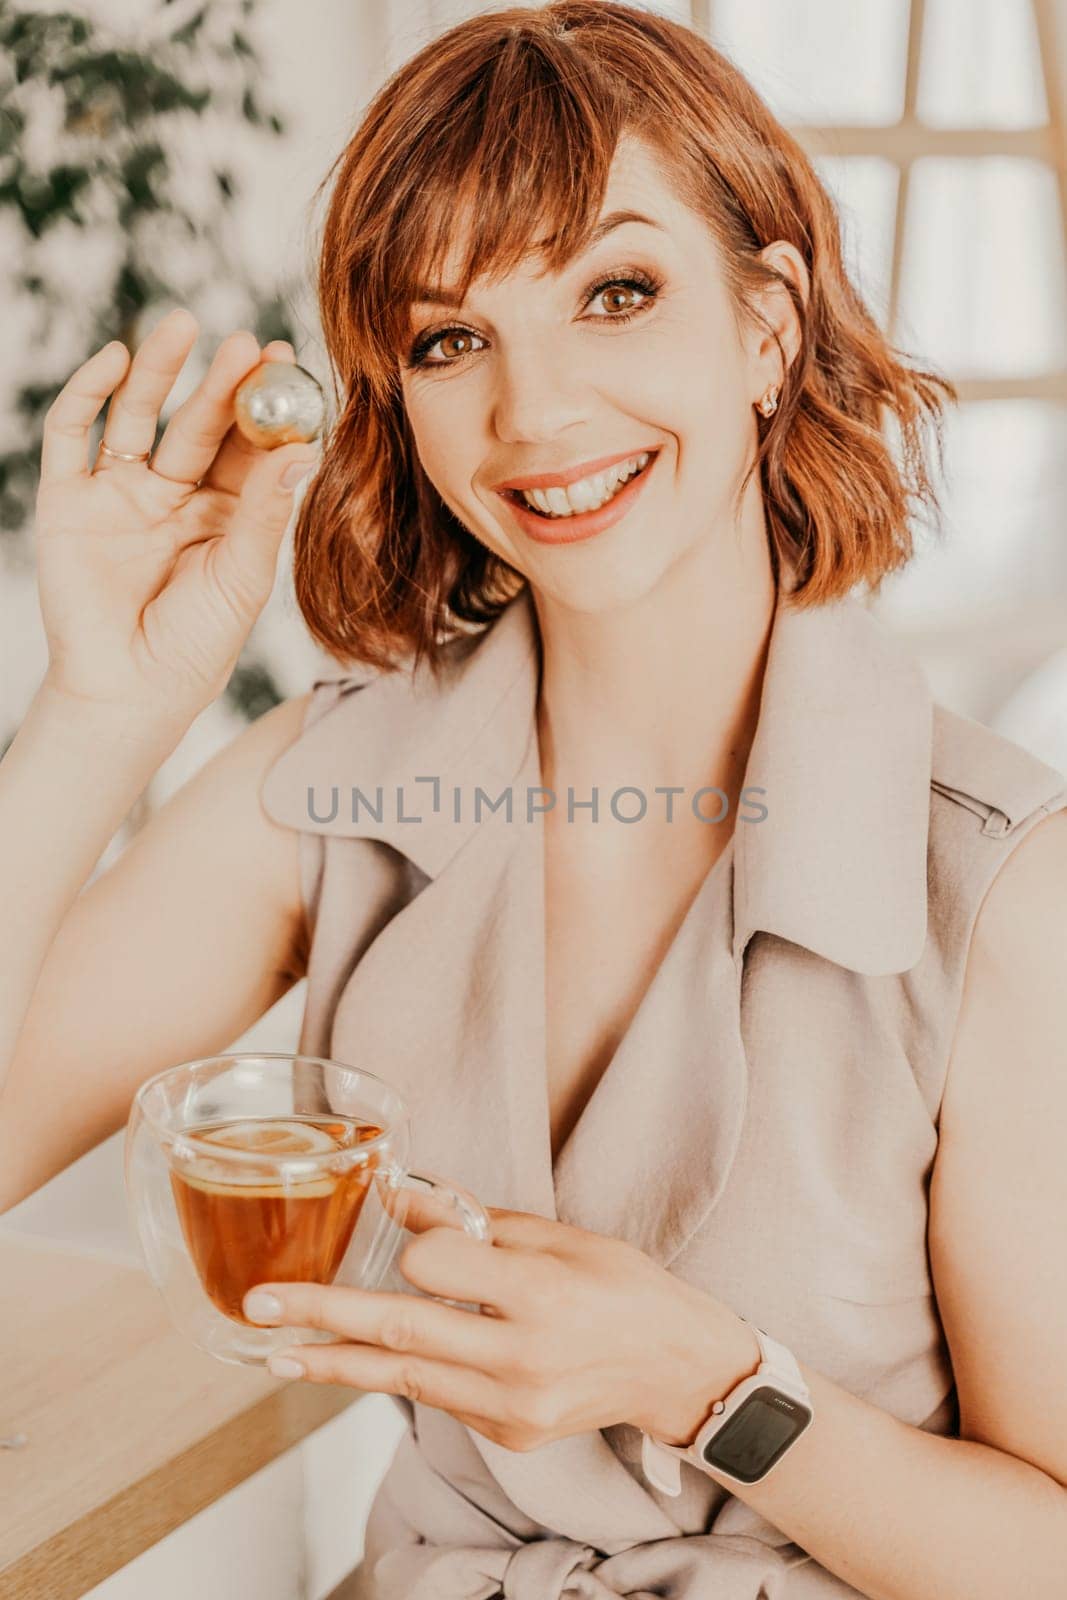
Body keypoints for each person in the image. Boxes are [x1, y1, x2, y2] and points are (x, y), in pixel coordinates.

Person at [2, 4, 1066, 1596]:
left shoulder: (995, 881)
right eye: (450, 338)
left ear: (768, 323)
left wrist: (709, 1388)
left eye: (616, 294)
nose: (534, 411)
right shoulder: (336, 783)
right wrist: (97, 712)